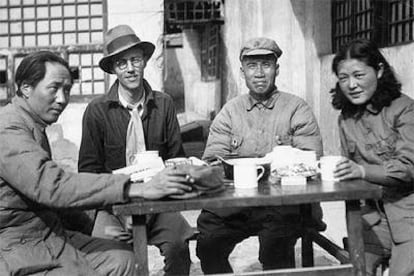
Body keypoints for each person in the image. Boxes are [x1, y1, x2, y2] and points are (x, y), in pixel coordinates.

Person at [0, 51, 193, 275]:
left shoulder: (164, 103)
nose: (62, 99)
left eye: (67, 90)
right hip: (17, 243)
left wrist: (88, 224)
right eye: (53, 88)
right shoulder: (9, 128)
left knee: (125, 258)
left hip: (49, 233)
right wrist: (132, 189)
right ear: (26, 88)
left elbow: (176, 157)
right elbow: (53, 186)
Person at [197, 37, 324, 274]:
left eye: (266, 65)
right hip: (235, 204)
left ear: (277, 69)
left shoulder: (296, 108)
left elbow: (310, 160)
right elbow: (212, 161)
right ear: (242, 71)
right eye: (252, 66)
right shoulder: (230, 111)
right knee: (208, 240)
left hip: (284, 204)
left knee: (277, 247)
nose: (259, 73)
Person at [78, 25, 193, 275]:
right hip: (114, 206)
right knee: (110, 260)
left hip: (158, 202)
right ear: (113, 70)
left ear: (144, 61)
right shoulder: (97, 111)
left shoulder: (164, 104)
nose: (130, 69)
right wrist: (117, 199)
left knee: (179, 246)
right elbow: (87, 172)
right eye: (121, 63)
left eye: (135, 60)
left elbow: (176, 158)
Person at [331, 38, 414, 276]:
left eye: (358, 75)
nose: (351, 85)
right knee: (354, 270)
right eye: (343, 77)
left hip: (409, 213)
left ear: (378, 71)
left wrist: (362, 171)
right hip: (374, 217)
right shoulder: (346, 118)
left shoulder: (405, 109)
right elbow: (351, 173)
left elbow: (409, 167)